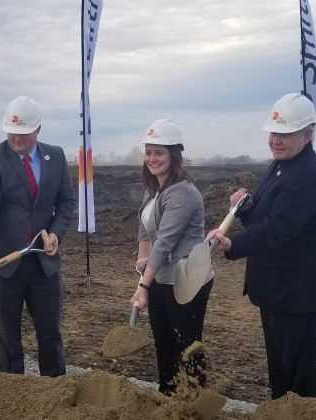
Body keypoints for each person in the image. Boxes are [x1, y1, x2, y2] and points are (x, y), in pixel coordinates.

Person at [207, 93, 316, 399]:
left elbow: (277, 231)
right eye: (273, 132)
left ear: (307, 134)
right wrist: (246, 208)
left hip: (299, 295)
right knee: (281, 380)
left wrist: (230, 243)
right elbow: (267, 218)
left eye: (285, 134)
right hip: (278, 291)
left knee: (298, 389)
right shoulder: (281, 165)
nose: (276, 140)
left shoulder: (307, 176)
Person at [0, 96, 75, 377]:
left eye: (23, 133)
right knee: (8, 340)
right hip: (3, 267)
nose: (16, 138)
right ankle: (13, 396)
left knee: (51, 335)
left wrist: (55, 234)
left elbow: (66, 204)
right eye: (11, 131)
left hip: (44, 265)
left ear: (38, 129)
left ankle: (55, 393)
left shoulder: (56, 156)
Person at [130, 119, 211, 395]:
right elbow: (144, 225)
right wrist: (143, 261)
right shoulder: (154, 188)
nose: (152, 159)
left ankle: (195, 402)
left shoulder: (182, 193)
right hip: (161, 277)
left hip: (187, 278)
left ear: (174, 155)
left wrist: (143, 286)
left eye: (159, 153)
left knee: (187, 345)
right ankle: (167, 397)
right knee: (164, 342)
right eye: (149, 152)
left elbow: (164, 242)